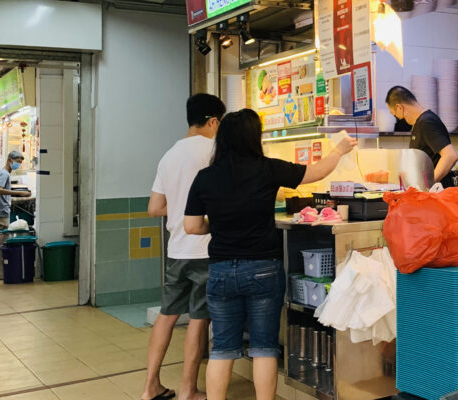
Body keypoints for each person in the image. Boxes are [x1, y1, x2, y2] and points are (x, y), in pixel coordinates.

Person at [184, 109, 356, 400]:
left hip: (222, 271)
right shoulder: (266, 168)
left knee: (223, 347)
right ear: (254, 138)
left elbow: (192, 225)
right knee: (264, 346)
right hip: (264, 268)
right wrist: (339, 149)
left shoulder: (206, 177)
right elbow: (315, 173)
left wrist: (222, 224)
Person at [141, 93, 225, 400]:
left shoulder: (169, 155)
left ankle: (150, 385)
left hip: (176, 249)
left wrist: (179, 209)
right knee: (199, 319)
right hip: (204, 247)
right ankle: (189, 389)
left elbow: (154, 207)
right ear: (213, 121)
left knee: (167, 314)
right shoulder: (215, 149)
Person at [386, 86, 458, 188]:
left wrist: (427, 185)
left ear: (400, 107)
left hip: (438, 193)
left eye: (395, 115)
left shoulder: (426, 122)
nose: (397, 119)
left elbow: (450, 156)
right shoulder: (419, 123)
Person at [0, 150, 31, 275]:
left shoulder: (2, 173)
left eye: (20, 163)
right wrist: (19, 193)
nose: (18, 165)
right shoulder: (4, 174)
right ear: (10, 160)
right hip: (0, 211)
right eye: (17, 162)